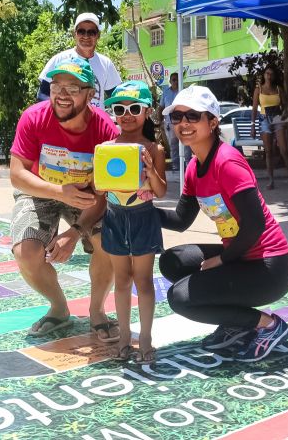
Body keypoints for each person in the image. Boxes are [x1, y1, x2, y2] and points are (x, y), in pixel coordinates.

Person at [156, 85, 288, 362]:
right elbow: (181, 220)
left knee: (180, 298)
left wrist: (221, 259)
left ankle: (268, 325)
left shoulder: (227, 162)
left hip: (269, 268)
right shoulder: (195, 167)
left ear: (213, 122)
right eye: (177, 117)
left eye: (193, 116)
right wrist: (135, 204)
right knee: (173, 262)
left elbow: (255, 224)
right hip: (241, 256)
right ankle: (236, 322)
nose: (183, 123)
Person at [11, 57, 121, 341]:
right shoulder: (33, 117)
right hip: (40, 190)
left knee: (108, 241)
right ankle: (59, 309)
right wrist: (59, 191)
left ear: (90, 93)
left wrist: (74, 233)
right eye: (56, 85)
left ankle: (97, 310)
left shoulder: (105, 129)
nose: (61, 94)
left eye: (72, 88)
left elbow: (105, 194)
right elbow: (17, 174)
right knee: (26, 252)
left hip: (86, 196)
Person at [100, 81, 167, 364]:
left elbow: (161, 191)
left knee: (143, 280)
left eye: (134, 108)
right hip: (114, 216)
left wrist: (150, 170)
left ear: (147, 111)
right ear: (113, 112)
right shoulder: (106, 147)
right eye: (119, 109)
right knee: (122, 280)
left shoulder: (154, 148)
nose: (127, 114)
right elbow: (99, 189)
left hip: (143, 218)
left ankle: (147, 339)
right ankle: (125, 339)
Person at [37, 13, 121, 109]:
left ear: (98, 35)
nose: (86, 36)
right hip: (65, 121)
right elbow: (43, 96)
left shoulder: (106, 63)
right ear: (75, 34)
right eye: (81, 31)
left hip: (94, 122)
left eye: (91, 32)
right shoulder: (60, 59)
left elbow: (117, 97)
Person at [250, 64, 288, 190]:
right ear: (263, 75)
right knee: (268, 151)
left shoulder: (279, 89)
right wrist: (253, 125)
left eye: (271, 74)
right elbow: (254, 109)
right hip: (264, 120)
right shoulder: (259, 90)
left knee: (284, 149)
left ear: (274, 76)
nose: (269, 76)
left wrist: (285, 115)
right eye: (267, 73)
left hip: (278, 119)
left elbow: (286, 106)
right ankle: (271, 180)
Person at [159, 72, 191, 170]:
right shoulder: (166, 92)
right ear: (170, 81)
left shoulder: (185, 91)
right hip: (169, 123)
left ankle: (189, 166)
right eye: (174, 79)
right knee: (173, 145)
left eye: (178, 79)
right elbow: (161, 107)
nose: (176, 81)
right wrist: (160, 122)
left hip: (183, 122)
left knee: (186, 143)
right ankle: (176, 166)